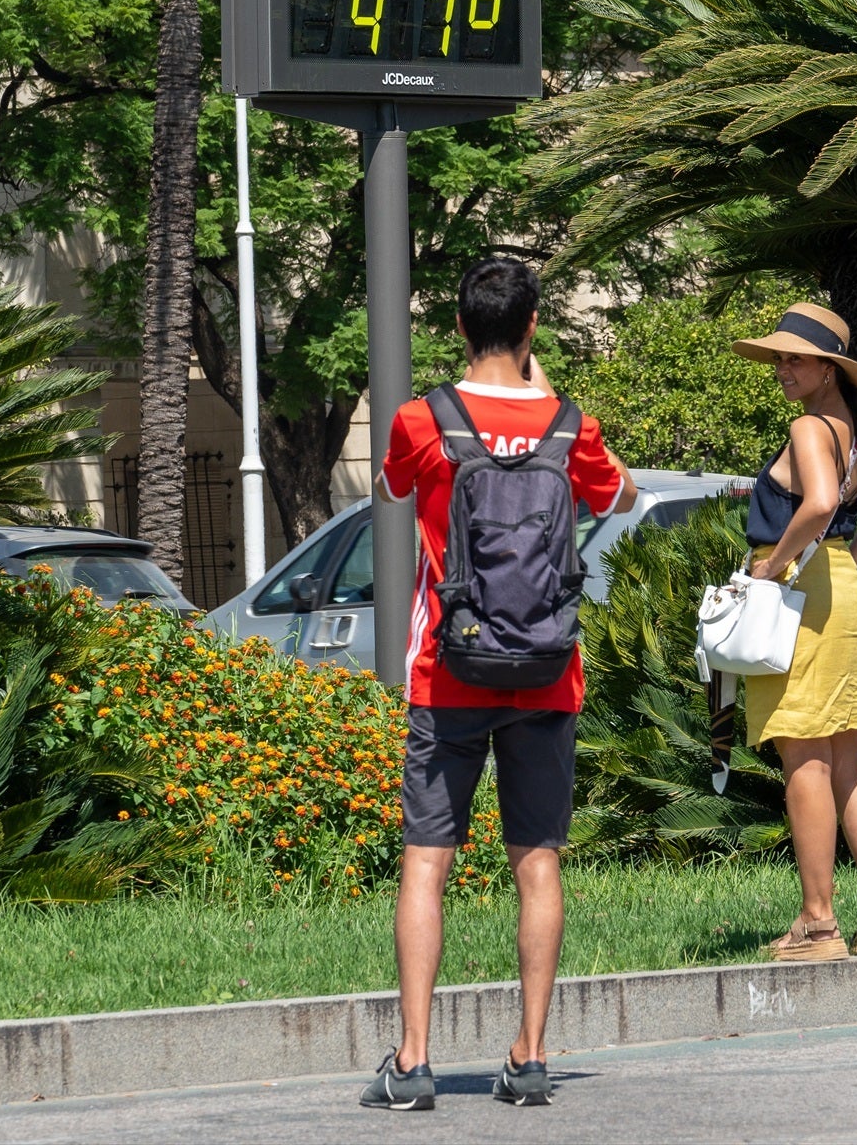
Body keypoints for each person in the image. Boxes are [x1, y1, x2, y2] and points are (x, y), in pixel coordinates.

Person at [360, 256, 635, 1112]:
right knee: (538, 862)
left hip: (449, 674)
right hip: (548, 675)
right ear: (534, 324)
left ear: (457, 329)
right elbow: (620, 497)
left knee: (426, 865)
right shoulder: (570, 426)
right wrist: (548, 396)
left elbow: (389, 487)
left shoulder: (422, 418)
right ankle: (530, 1055)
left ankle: (411, 1063)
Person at [732, 303, 857, 963]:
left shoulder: (809, 427)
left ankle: (817, 923)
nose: (782, 368)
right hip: (841, 595)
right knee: (846, 757)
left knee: (803, 755)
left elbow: (819, 504)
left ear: (829, 369)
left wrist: (774, 569)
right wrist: (847, 560)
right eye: (779, 357)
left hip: (799, 598)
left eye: (795, 358)